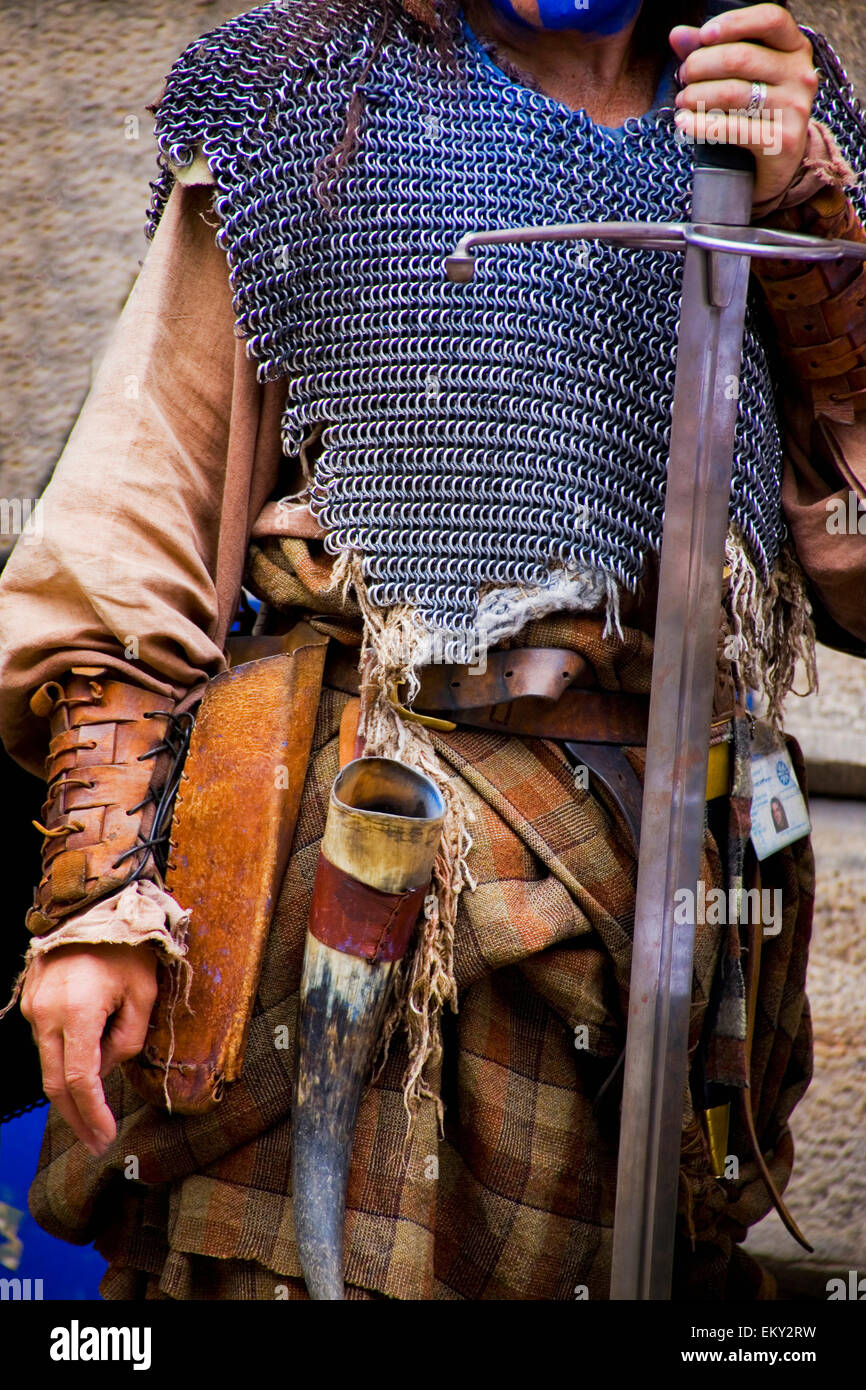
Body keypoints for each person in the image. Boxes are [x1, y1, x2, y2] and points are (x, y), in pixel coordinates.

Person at [1, 0, 866, 1301]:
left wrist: (820, 226)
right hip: (370, 848)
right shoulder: (305, 95)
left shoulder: (782, 111)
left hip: (667, 884)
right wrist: (97, 897)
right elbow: (137, 521)